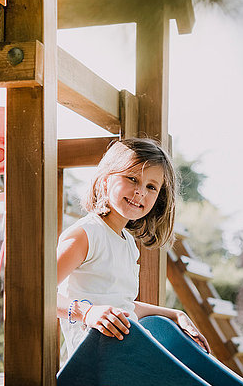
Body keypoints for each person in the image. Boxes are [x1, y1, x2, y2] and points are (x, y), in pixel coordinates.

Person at [57, 137, 210, 358]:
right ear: (106, 179)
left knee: (189, 356)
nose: (140, 192)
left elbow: (123, 306)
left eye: (151, 187)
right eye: (132, 178)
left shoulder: (128, 244)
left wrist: (174, 314)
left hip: (121, 350)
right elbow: (37, 293)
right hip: (92, 358)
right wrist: (86, 312)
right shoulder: (86, 234)